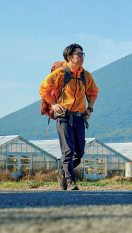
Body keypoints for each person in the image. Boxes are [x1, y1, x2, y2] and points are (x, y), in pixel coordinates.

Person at [39, 43, 98, 190]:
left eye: (83, 54)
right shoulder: (60, 73)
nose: (82, 56)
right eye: (79, 54)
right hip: (64, 117)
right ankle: (71, 181)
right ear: (69, 57)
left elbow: (93, 93)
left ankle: (62, 172)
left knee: (79, 153)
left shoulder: (86, 75)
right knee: (68, 151)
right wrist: (53, 104)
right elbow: (43, 89)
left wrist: (90, 108)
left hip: (79, 118)